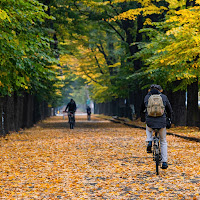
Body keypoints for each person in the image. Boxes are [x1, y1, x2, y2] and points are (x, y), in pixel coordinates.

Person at [140, 84, 173, 169]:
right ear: (160, 90)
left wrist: (143, 119)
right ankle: (164, 162)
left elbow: (142, 109)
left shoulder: (147, 97)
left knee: (148, 128)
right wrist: (169, 118)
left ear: (149, 90)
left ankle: (149, 140)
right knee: (163, 141)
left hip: (150, 121)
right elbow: (169, 110)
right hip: (162, 122)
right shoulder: (164, 97)